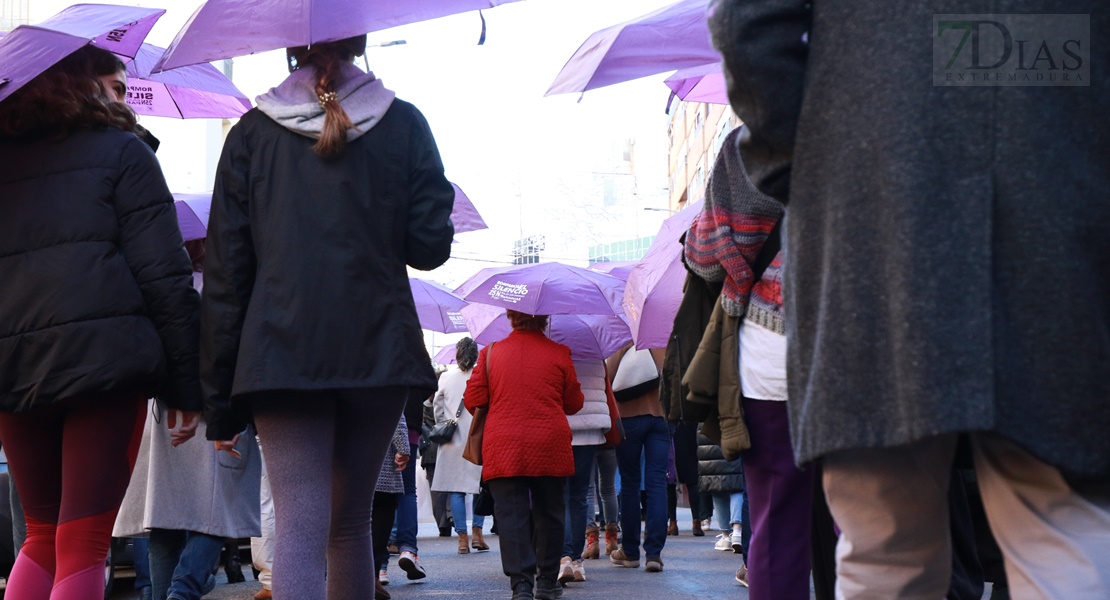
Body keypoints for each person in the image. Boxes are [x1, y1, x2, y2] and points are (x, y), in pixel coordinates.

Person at [710, 2, 1110, 598]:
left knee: (884, 549)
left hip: (874, 229)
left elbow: (748, 26)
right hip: (1056, 212)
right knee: (1060, 533)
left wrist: (820, 172)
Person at [200, 34, 454, 600]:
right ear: (360, 40)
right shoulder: (405, 124)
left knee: (298, 522)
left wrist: (219, 403)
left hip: (280, 353)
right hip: (378, 346)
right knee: (351, 524)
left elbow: (226, 275)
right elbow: (429, 245)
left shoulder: (250, 135)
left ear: (290, 48)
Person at [0, 44, 201, 599]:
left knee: (40, 535)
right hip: (103, 363)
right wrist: (188, 383)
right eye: (116, 85)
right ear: (84, 86)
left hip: (12, 370)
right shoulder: (123, 153)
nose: (125, 98)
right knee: (83, 539)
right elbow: (165, 275)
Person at [114, 244, 262, 600]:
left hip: (168, 411)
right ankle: (183, 590)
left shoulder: (162, 292)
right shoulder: (231, 290)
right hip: (218, 407)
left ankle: (176, 590)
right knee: (218, 514)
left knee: (167, 520)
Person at [464, 310, 584, 600]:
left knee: (511, 516)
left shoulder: (491, 352)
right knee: (551, 513)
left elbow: (474, 399)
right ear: (544, 318)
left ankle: (521, 585)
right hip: (549, 443)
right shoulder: (559, 352)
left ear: (510, 317)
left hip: (503, 444)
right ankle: (546, 581)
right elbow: (574, 402)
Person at [604, 345, 668, 573]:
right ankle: (654, 553)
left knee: (630, 483)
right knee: (657, 483)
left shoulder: (621, 336)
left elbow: (608, 378)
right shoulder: (664, 337)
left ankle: (630, 551)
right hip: (662, 417)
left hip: (628, 418)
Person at [557, 358, 612, 584]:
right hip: (590, 429)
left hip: (564, 427)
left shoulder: (558, 354)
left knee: (562, 496)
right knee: (580, 497)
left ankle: (566, 557)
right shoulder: (596, 355)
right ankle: (578, 562)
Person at [431, 338, 487, 555]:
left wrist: (442, 424)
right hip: (477, 436)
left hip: (453, 438)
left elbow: (437, 405)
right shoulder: (481, 376)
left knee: (456, 489)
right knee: (478, 486)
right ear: (475, 356)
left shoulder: (446, 376)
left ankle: (462, 539)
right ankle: (477, 534)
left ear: (457, 354)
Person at [372, 417, 410, 600]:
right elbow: (396, 414)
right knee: (379, 525)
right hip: (379, 468)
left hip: (345, 469)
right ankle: (371, 576)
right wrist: (403, 448)